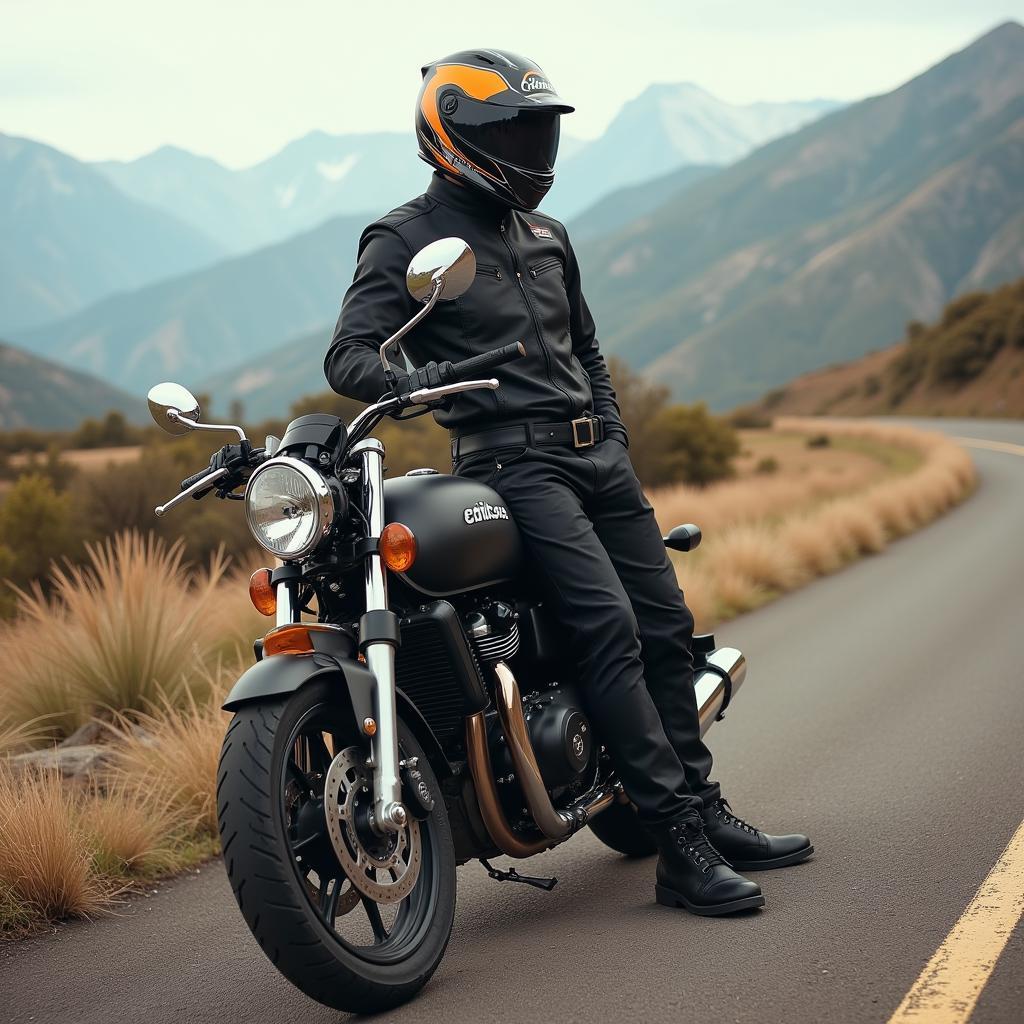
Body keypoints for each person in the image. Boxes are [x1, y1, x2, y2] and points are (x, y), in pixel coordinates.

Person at [325, 49, 812, 915]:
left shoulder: (547, 236)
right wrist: (410, 384)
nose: (531, 145)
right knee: (610, 628)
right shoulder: (405, 240)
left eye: (538, 127)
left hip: (596, 457)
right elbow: (349, 354)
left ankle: (706, 809)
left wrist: (614, 433)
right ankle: (679, 848)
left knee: (666, 627)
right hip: (513, 462)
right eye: (511, 129)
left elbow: (586, 346)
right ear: (454, 136)